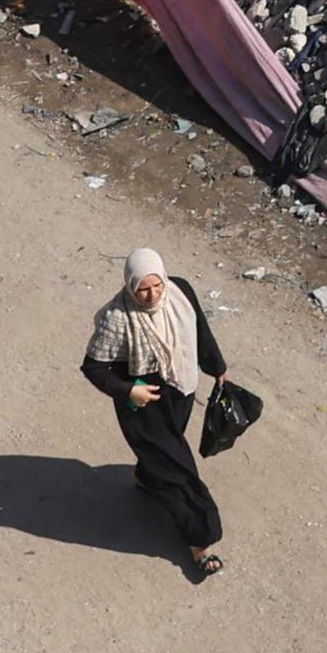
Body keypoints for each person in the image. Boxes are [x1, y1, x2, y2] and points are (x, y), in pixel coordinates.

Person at [80, 245, 231, 582]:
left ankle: (146, 478)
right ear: (130, 286)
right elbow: (93, 367)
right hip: (143, 406)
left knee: (163, 460)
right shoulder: (116, 318)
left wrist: (217, 367)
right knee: (180, 472)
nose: (151, 295)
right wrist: (128, 389)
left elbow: (200, 331)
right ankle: (200, 540)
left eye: (156, 285)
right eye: (142, 289)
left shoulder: (180, 292)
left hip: (181, 391)